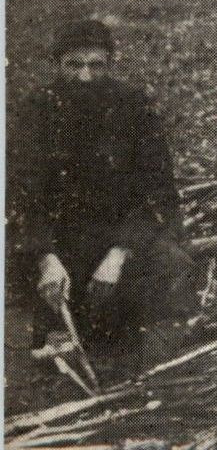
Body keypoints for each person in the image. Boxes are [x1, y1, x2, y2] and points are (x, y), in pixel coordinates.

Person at [13, 19, 194, 371]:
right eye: (74, 65)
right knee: (56, 336)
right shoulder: (35, 109)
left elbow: (159, 191)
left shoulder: (133, 106)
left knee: (168, 269)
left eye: (96, 65)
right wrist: (44, 256)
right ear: (57, 63)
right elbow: (21, 193)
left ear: (110, 63)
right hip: (59, 241)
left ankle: (147, 360)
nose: (85, 76)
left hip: (123, 236)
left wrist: (119, 253)